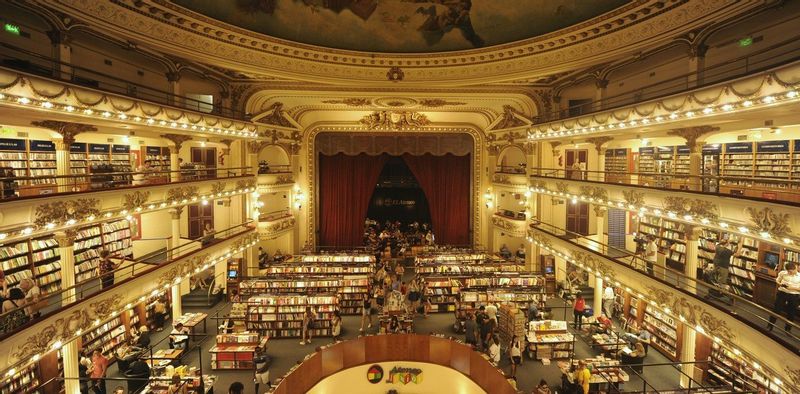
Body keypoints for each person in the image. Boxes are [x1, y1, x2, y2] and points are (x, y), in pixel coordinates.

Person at [769, 262, 800, 331]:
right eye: (789, 272)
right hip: (782, 293)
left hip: (793, 295)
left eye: (792, 271)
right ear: (787, 270)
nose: (790, 273)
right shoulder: (782, 273)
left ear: (796, 268)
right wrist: (780, 284)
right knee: (776, 310)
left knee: (791, 313)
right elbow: (777, 280)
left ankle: (788, 329)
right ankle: (770, 325)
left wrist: (791, 288)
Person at [708, 238, 740, 302]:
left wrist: (728, 241)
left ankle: (715, 292)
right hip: (723, 267)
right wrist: (740, 246)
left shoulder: (717, 247)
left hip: (716, 266)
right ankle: (719, 295)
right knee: (722, 282)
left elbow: (721, 243)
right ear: (727, 244)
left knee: (716, 280)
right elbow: (737, 255)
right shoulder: (727, 251)